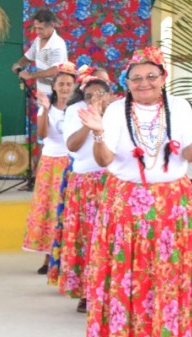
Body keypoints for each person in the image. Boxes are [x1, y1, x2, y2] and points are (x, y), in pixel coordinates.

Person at [77, 47, 192, 337]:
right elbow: (105, 161)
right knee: (126, 273)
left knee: (172, 271)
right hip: (125, 200)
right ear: (127, 82)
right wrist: (97, 133)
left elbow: (191, 156)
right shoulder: (117, 110)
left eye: (151, 76)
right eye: (136, 78)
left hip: (173, 202)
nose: (144, 82)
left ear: (163, 77)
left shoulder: (179, 108)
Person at [59, 66, 113, 311]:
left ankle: (110, 290)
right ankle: (86, 293)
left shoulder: (118, 113)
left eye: (99, 94)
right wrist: (90, 124)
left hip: (111, 181)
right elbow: (71, 146)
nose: (94, 99)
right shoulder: (74, 111)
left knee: (109, 239)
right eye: (89, 95)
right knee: (86, 239)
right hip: (84, 182)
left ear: (109, 95)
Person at [22, 61, 76, 276]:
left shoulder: (78, 109)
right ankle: (48, 258)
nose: (64, 88)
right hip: (51, 163)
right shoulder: (48, 108)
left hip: (72, 162)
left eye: (68, 84)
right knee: (49, 208)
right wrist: (44, 110)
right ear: (54, 86)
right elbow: (43, 135)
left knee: (68, 209)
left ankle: (68, 258)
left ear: (74, 87)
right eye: (61, 84)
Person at [10, 9, 69, 101]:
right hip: (42, 92)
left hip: (56, 94)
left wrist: (30, 76)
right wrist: (19, 64)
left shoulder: (58, 44)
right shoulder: (38, 40)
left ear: (52, 26)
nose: (37, 32)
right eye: (36, 28)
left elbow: (55, 70)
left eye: (40, 28)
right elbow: (29, 57)